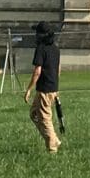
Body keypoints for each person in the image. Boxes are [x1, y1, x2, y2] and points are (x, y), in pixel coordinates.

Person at [26, 22, 61, 154]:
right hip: (52, 88)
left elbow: (37, 71)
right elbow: (58, 69)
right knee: (34, 113)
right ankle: (54, 139)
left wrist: (29, 89)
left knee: (45, 119)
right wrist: (55, 86)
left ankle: (52, 147)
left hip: (44, 90)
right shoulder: (56, 49)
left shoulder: (41, 49)